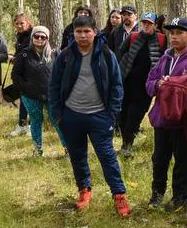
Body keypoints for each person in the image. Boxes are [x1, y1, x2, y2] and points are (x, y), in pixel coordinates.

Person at [49, 15, 130, 217]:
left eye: (87, 31)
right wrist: (58, 114)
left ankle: (119, 195)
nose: (83, 35)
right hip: (71, 116)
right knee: (77, 156)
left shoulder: (105, 54)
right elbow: (54, 85)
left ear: (95, 31)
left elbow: (116, 85)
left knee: (107, 156)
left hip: (100, 116)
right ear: (73, 33)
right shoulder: (65, 55)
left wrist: (112, 113)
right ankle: (84, 191)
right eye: (79, 32)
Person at [145, 17, 187, 210]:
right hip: (163, 118)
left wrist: (176, 87)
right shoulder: (165, 58)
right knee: (159, 157)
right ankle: (157, 193)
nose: (174, 37)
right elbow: (149, 83)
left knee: (182, 157)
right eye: (171, 33)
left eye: (179, 33)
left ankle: (181, 196)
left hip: (183, 119)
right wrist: (158, 85)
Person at [117, 11, 166, 154]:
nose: (146, 26)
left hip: (146, 86)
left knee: (135, 114)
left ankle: (127, 146)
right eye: (144, 23)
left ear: (155, 25)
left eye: (149, 23)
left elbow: (165, 58)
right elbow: (121, 52)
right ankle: (125, 144)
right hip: (127, 82)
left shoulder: (162, 39)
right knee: (123, 113)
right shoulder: (133, 37)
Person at [12, 24, 57, 155]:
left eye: (43, 37)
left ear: (47, 39)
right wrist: (25, 88)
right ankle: (38, 150)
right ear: (32, 37)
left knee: (57, 121)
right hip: (30, 95)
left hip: (50, 94)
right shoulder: (24, 54)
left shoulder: (54, 54)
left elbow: (60, 73)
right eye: (36, 36)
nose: (39, 39)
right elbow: (15, 75)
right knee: (36, 121)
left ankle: (67, 149)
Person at [9, 12, 34, 136]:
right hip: (21, 73)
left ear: (28, 23)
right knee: (23, 99)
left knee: (29, 100)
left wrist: (18, 58)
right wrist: (14, 57)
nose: (19, 26)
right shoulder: (20, 36)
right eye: (17, 24)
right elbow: (19, 52)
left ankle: (29, 126)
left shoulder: (33, 35)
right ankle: (22, 125)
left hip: (31, 73)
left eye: (22, 23)